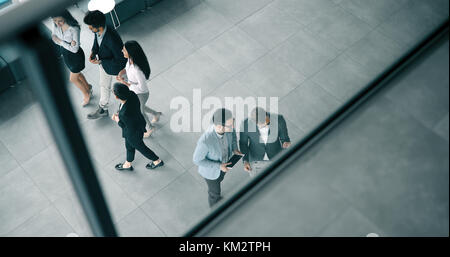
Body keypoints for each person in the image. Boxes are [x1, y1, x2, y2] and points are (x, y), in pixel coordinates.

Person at [193, 108, 242, 207]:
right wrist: (219, 166)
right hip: (211, 173)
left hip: (224, 166)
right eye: (230, 125)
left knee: (220, 179)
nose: (233, 126)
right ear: (220, 126)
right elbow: (197, 160)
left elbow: (233, 136)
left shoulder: (229, 129)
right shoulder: (205, 142)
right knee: (214, 193)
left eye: (233, 122)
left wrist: (235, 148)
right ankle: (215, 207)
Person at [84, 10, 127, 119]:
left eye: (91, 28)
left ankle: (125, 110)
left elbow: (121, 59)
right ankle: (103, 109)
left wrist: (101, 61)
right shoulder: (100, 30)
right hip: (104, 63)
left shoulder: (112, 39)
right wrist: (93, 52)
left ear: (98, 26)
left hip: (116, 68)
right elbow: (96, 39)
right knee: (103, 85)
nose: (89, 30)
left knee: (124, 90)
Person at [111, 83, 164, 171]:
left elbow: (125, 126)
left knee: (142, 148)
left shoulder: (124, 114)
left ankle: (157, 161)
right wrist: (120, 115)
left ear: (117, 97)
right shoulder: (132, 94)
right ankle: (128, 164)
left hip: (133, 133)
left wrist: (117, 120)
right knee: (129, 146)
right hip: (138, 123)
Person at [116, 40, 162, 138]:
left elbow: (142, 87)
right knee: (141, 107)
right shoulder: (129, 60)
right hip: (133, 90)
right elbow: (126, 68)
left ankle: (150, 128)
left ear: (130, 52)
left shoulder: (138, 70)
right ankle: (156, 114)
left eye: (124, 50)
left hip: (141, 93)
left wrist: (125, 83)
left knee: (140, 111)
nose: (122, 51)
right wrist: (121, 73)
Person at [51, 10, 92, 106]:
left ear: (65, 17)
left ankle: (86, 94)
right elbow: (53, 36)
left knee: (73, 79)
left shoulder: (74, 28)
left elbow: (75, 49)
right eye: (55, 21)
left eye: (60, 20)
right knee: (77, 74)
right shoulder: (56, 25)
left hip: (75, 57)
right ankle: (88, 87)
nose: (57, 23)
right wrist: (67, 43)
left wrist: (61, 42)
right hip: (66, 54)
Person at [239, 107, 291, 177]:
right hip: (255, 161)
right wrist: (245, 160)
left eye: (266, 122)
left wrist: (286, 143)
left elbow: (285, 138)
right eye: (261, 125)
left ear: (266, 115)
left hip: (276, 157)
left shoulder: (279, 119)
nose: (264, 125)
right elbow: (243, 143)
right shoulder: (245, 124)